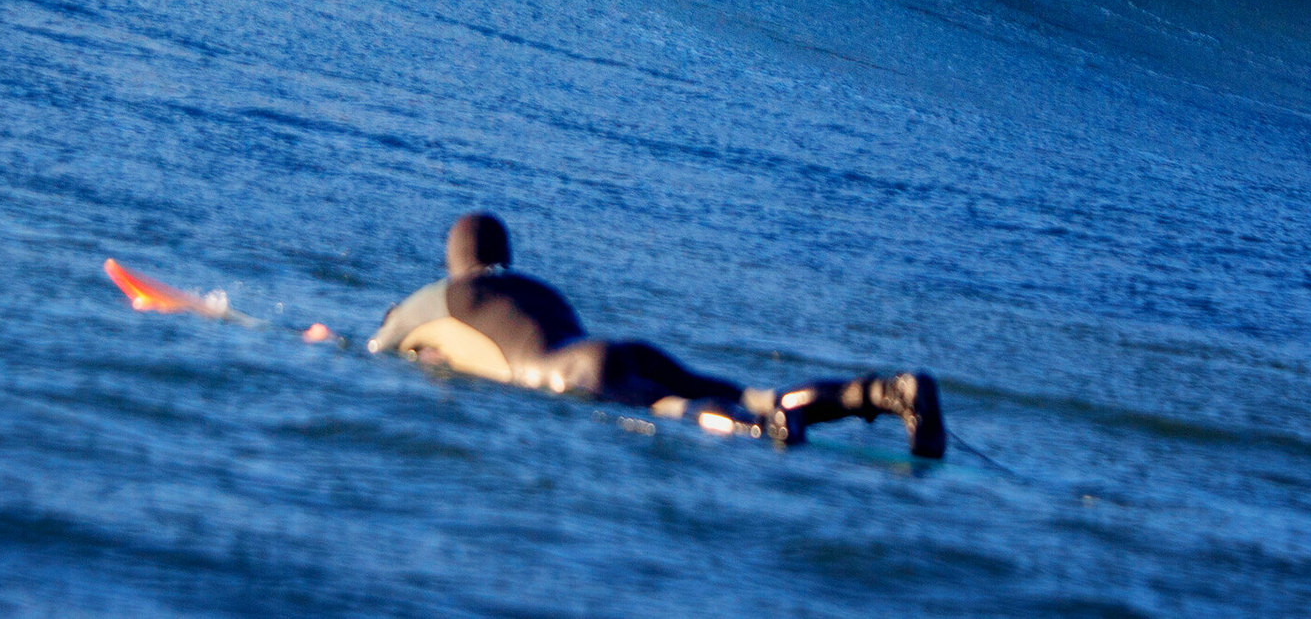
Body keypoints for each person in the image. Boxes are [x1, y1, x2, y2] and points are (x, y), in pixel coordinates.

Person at [368, 213, 946, 457]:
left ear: (452, 263)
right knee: (752, 390)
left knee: (676, 408)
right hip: (618, 350)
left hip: (570, 377)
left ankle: (761, 431)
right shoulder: (539, 289)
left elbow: (379, 345)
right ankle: (887, 392)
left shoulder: (431, 299)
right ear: (506, 257)